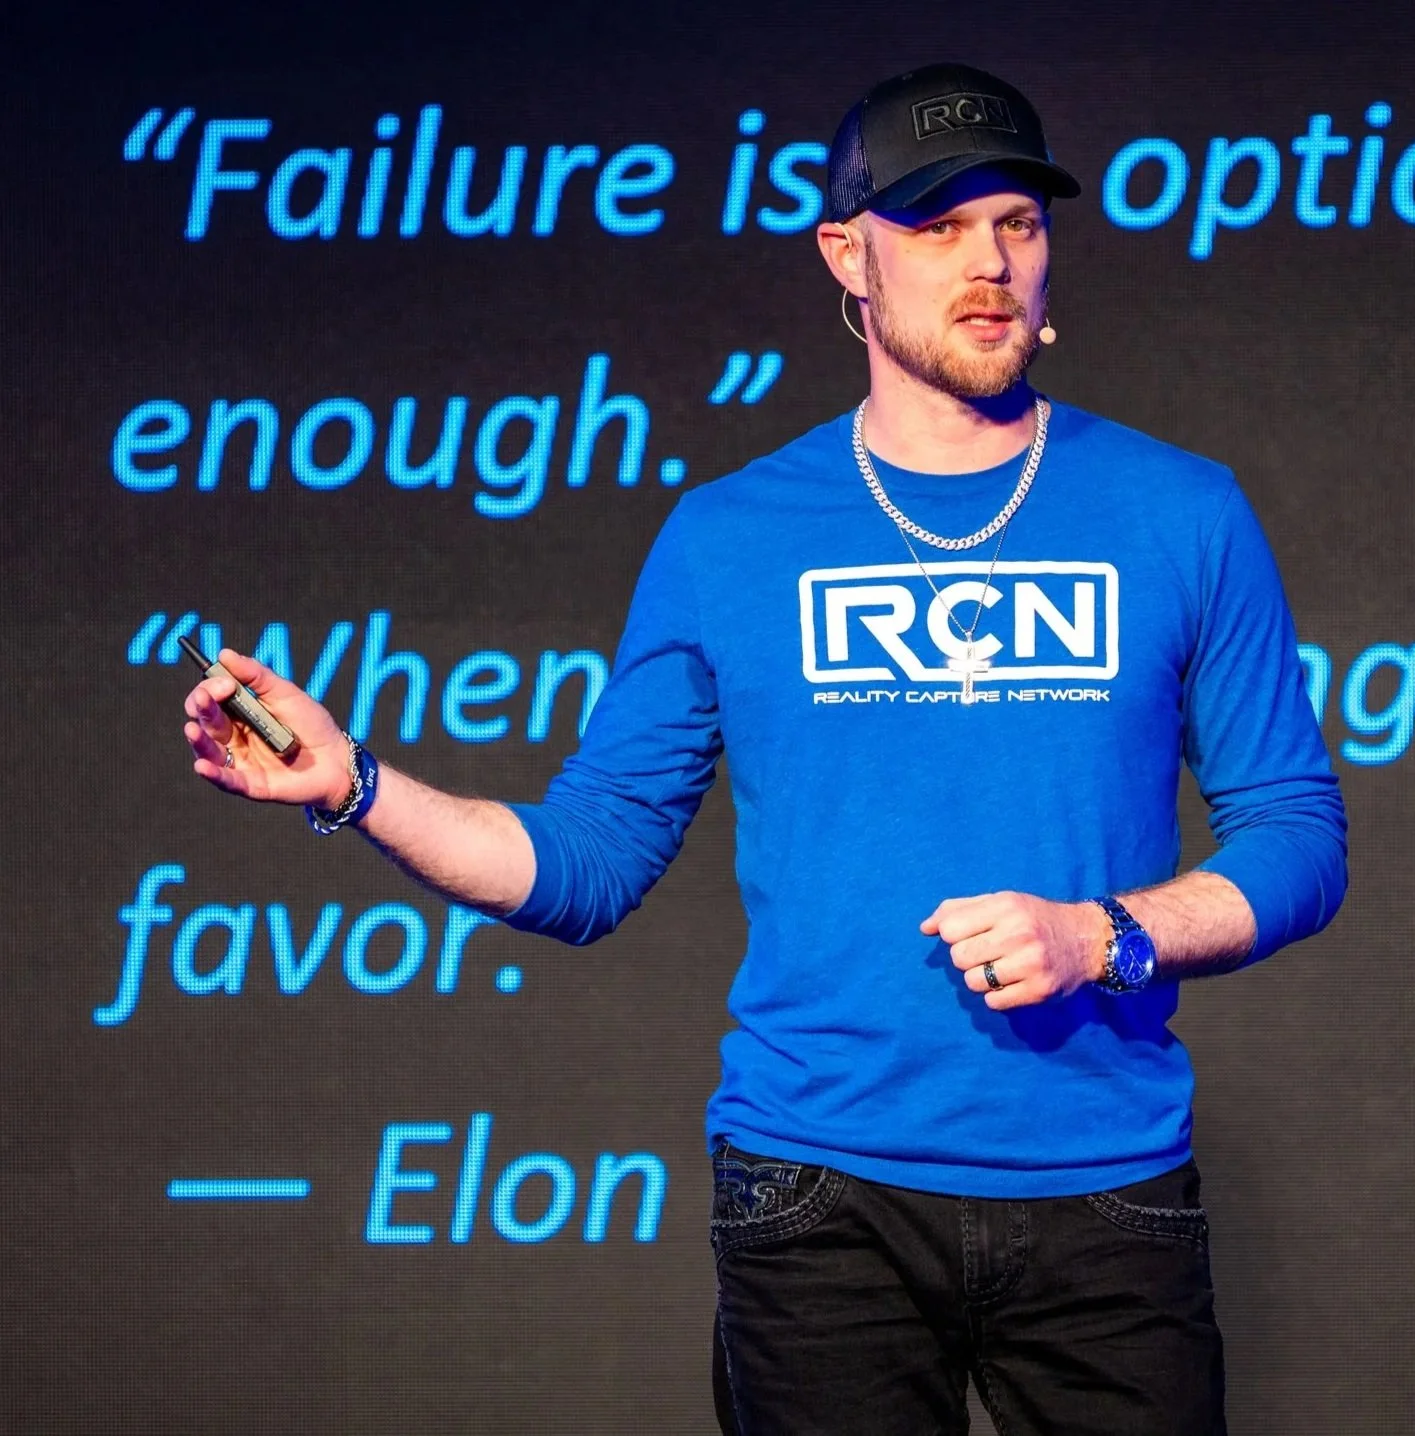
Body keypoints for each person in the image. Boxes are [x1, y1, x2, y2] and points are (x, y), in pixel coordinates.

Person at [181, 61, 1346, 1435]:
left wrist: (1102, 936)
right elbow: (588, 863)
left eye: (1017, 224)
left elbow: (1296, 839)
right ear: (845, 257)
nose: (988, 261)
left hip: (1103, 1188)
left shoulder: (1178, 510)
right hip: (817, 1198)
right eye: (936, 224)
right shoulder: (730, 536)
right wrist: (360, 786)